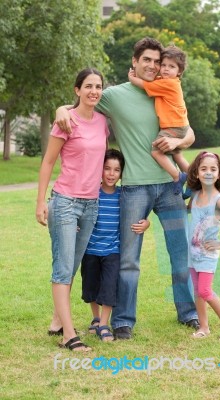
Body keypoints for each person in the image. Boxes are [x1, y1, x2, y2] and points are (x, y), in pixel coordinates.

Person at [55, 37, 199, 340]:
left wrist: (177, 141)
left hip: (170, 187)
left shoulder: (164, 89)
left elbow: (188, 132)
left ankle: (188, 313)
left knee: (180, 254)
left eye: (157, 61)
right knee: (129, 259)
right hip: (134, 189)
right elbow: (83, 101)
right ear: (134, 62)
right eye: (146, 60)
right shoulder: (113, 96)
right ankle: (122, 320)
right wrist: (60, 109)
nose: (152, 66)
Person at [36, 68, 109, 351]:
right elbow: (47, 163)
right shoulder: (65, 122)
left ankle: (57, 319)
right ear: (77, 90)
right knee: (63, 266)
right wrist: (41, 201)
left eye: (98, 86)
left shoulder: (103, 122)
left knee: (73, 264)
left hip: (92, 203)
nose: (94, 91)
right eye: (88, 86)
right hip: (65, 201)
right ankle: (68, 334)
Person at [81, 149, 150, 342]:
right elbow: (81, 213)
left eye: (116, 170)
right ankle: (95, 318)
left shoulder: (123, 195)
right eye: (107, 169)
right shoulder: (92, 193)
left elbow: (138, 213)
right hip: (90, 249)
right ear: (100, 170)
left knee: (110, 287)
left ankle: (104, 324)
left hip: (113, 250)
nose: (111, 174)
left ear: (121, 173)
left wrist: (146, 223)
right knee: (90, 287)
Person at [187, 151, 220, 341]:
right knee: (197, 291)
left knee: (204, 290)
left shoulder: (218, 199)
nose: (208, 172)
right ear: (196, 173)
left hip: (208, 255)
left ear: (219, 174)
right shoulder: (194, 196)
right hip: (192, 253)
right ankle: (204, 327)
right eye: (203, 169)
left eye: (213, 169)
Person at [128, 45, 190, 196]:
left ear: (179, 71)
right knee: (177, 155)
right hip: (180, 125)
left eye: (171, 66)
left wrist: (132, 78)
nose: (166, 69)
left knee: (156, 152)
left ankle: (178, 177)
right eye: (163, 65)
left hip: (172, 126)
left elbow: (144, 84)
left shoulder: (168, 83)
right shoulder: (168, 81)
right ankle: (195, 180)